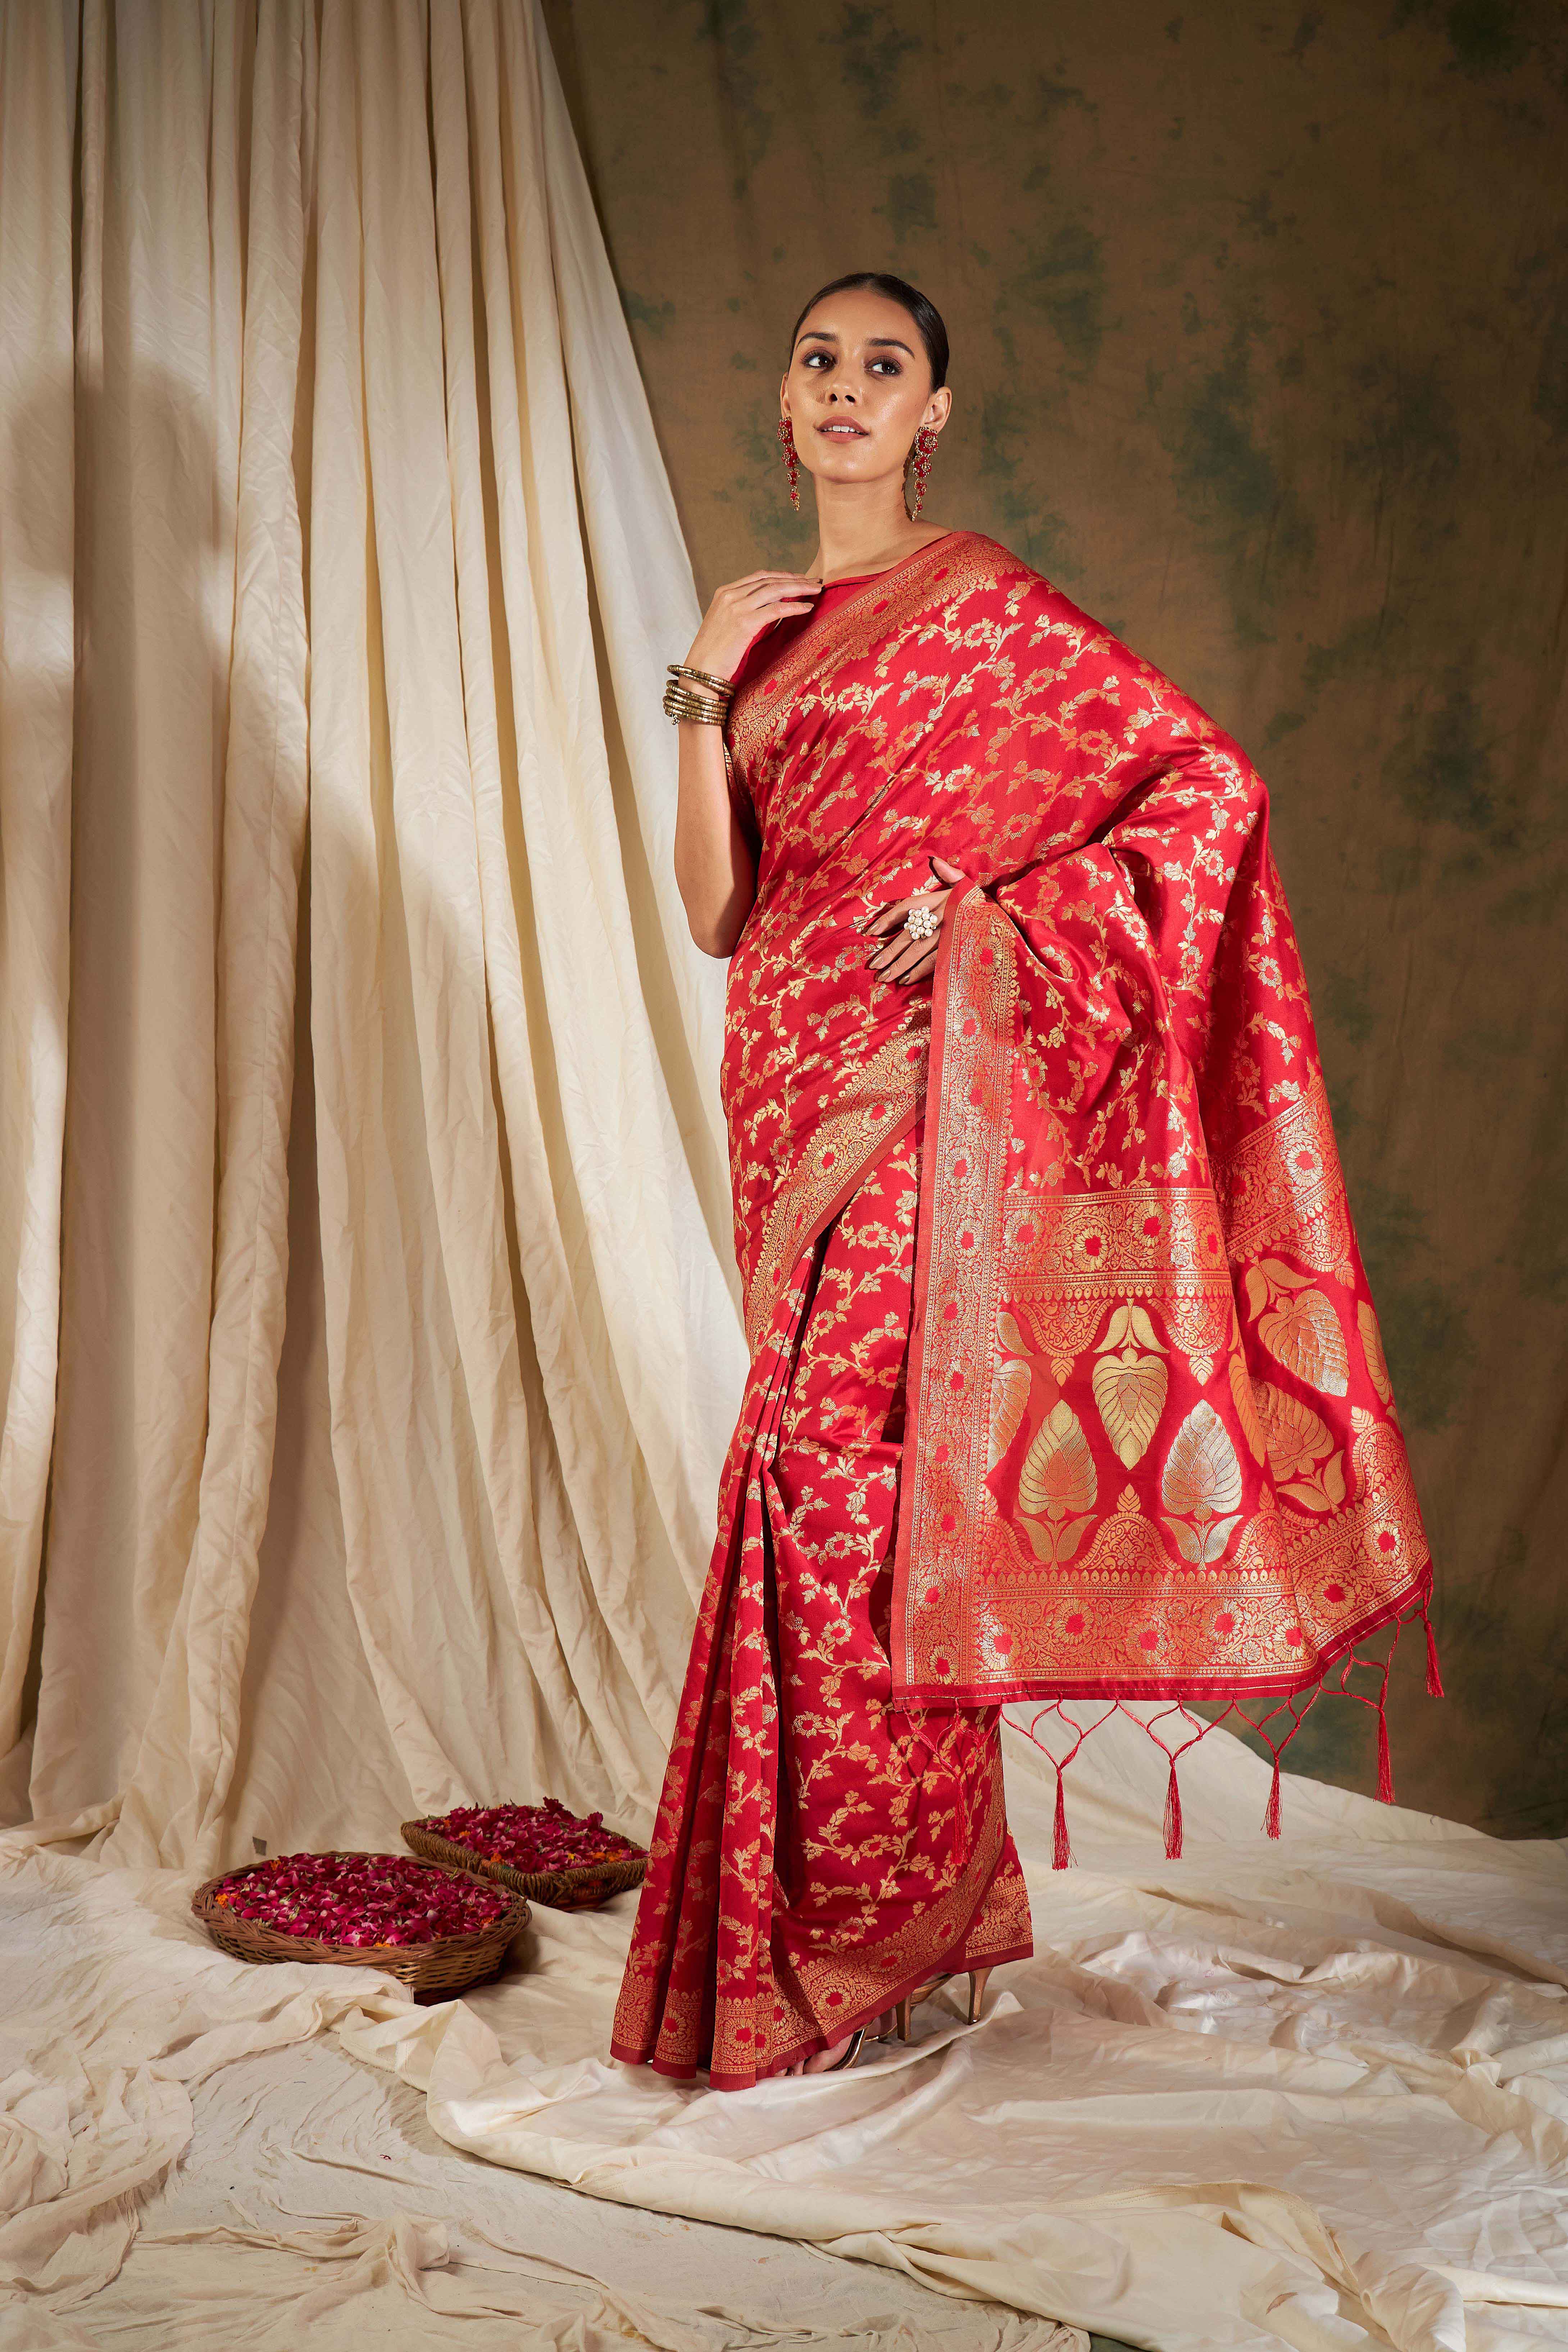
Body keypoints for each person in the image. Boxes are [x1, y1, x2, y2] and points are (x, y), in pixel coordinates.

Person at [610, 271, 1436, 2087]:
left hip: (927, 1090)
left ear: (934, 416)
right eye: (817, 360)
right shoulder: (758, 635)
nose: (844, 387)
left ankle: (856, 1938)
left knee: (852, 1485)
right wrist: (696, 688)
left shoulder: (986, 609)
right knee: (821, 1490)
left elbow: (1203, 791)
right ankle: (858, 1935)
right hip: (786, 1082)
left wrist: (996, 918)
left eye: (881, 365)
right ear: (783, 404)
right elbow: (720, 913)